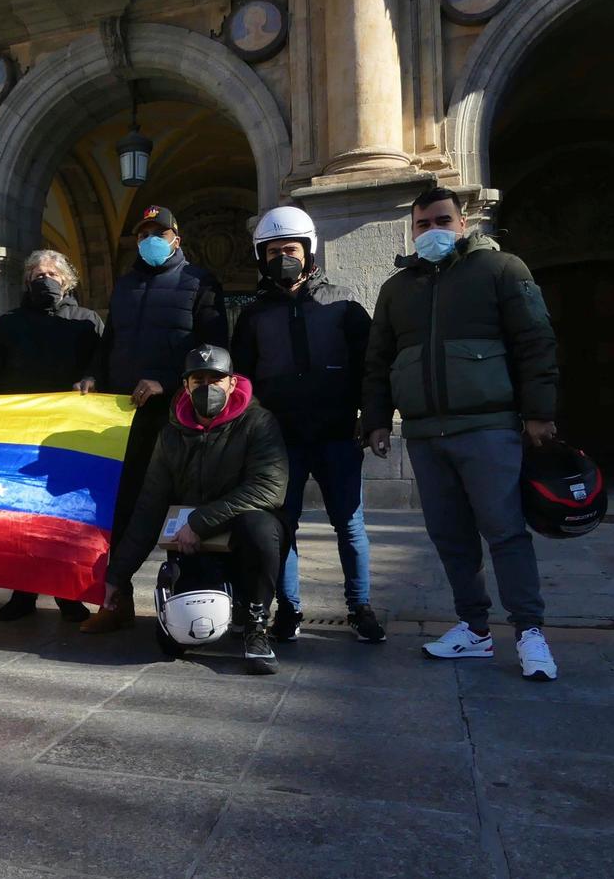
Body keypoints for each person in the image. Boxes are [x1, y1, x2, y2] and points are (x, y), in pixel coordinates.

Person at [361, 187, 561, 681]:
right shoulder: (396, 288)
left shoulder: (502, 270)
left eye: (441, 220)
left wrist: (538, 412)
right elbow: (378, 362)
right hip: (426, 435)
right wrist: (377, 421)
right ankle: (474, 629)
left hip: (489, 427)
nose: (432, 231)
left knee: (505, 531)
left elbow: (535, 341)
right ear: (411, 229)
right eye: (422, 224)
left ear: (463, 221)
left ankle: (530, 633)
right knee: (450, 537)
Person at [230, 206, 384, 644]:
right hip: (281, 442)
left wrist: (372, 420)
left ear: (309, 250)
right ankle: (289, 610)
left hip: (338, 434)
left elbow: (370, 367)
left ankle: (360, 607)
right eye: (275, 251)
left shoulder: (344, 301)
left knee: (350, 525)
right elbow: (242, 379)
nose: (284, 257)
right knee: (284, 527)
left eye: (291, 249)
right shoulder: (254, 315)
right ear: (263, 258)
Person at [75, 205, 228, 634]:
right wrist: (92, 374)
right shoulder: (124, 287)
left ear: (176, 238)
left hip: (180, 419)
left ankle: (189, 605)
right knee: (122, 511)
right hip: (124, 422)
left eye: (158, 232)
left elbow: (214, 353)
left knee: (178, 513)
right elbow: (110, 343)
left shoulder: (200, 282)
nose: (151, 240)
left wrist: (167, 382)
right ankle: (115, 600)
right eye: (143, 233)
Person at [104, 346, 289, 673]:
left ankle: (256, 625)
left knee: (261, 529)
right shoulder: (171, 433)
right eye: (197, 380)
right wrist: (118, 576)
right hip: (194, 544)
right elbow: (150, 504)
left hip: (239, 530)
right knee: (176, 640)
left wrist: (201, 521)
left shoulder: (259, 422)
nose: (207, 387)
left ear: (232, 383)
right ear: (185, 386)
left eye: (215, 379)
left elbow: (268, 487)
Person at [0, 249, 103, 622]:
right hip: (21, 438)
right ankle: (23, 593)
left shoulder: (87, 321)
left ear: (67, 281)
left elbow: (103, 366)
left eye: (51, 273)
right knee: (24, 518)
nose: (44, 279)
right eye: (36, 274)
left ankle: (68, 593)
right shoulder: (8, 324)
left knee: (66, 516)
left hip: (70, 438)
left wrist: (92, 380)